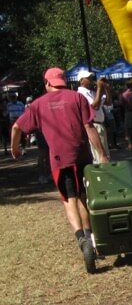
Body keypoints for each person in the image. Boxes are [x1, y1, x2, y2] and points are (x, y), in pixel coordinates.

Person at [10, 67, 109, 253]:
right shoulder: (77, 98)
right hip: (82, 156)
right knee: (83, 196)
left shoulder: (38, 104)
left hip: (59, 159)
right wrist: (102, 154)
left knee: (69, 198)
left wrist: (15, 149)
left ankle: (81, 238)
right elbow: (89, 127)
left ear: (47, 83)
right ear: (63, 81)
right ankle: (90, 236)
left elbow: (16, 127)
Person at [76, 70, 111, 163]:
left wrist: (106, 89)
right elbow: (94, 106)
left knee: (105, 154)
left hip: (99, 124)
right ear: (81, 81)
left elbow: (108, 102)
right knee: (99, 155)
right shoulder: (81, 93)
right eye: (88, 78)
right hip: (93, 125)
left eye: (91, 78)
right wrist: (99, 88)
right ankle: (101, 175)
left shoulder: (92, 92)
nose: (91, 80)